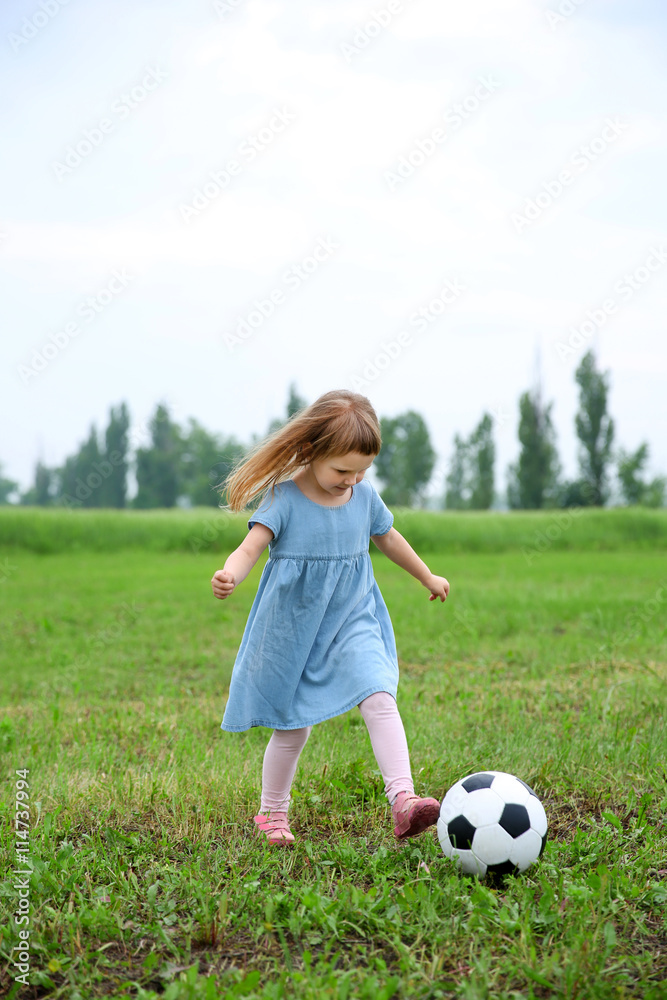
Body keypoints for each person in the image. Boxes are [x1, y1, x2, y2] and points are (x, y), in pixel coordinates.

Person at [211, 389, 450, 846]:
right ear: (310, 450)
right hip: (294, 629)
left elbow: (389, 538)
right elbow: (250, 547)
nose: (352, 480)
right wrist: (230, 575)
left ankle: (403, 799)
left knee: (379, 695)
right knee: (293, 727)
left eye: (362, 470)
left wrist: (426, 575)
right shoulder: (284, 498)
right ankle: (272, 813)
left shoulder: (363, 497)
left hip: (351, 618)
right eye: (343, 470)